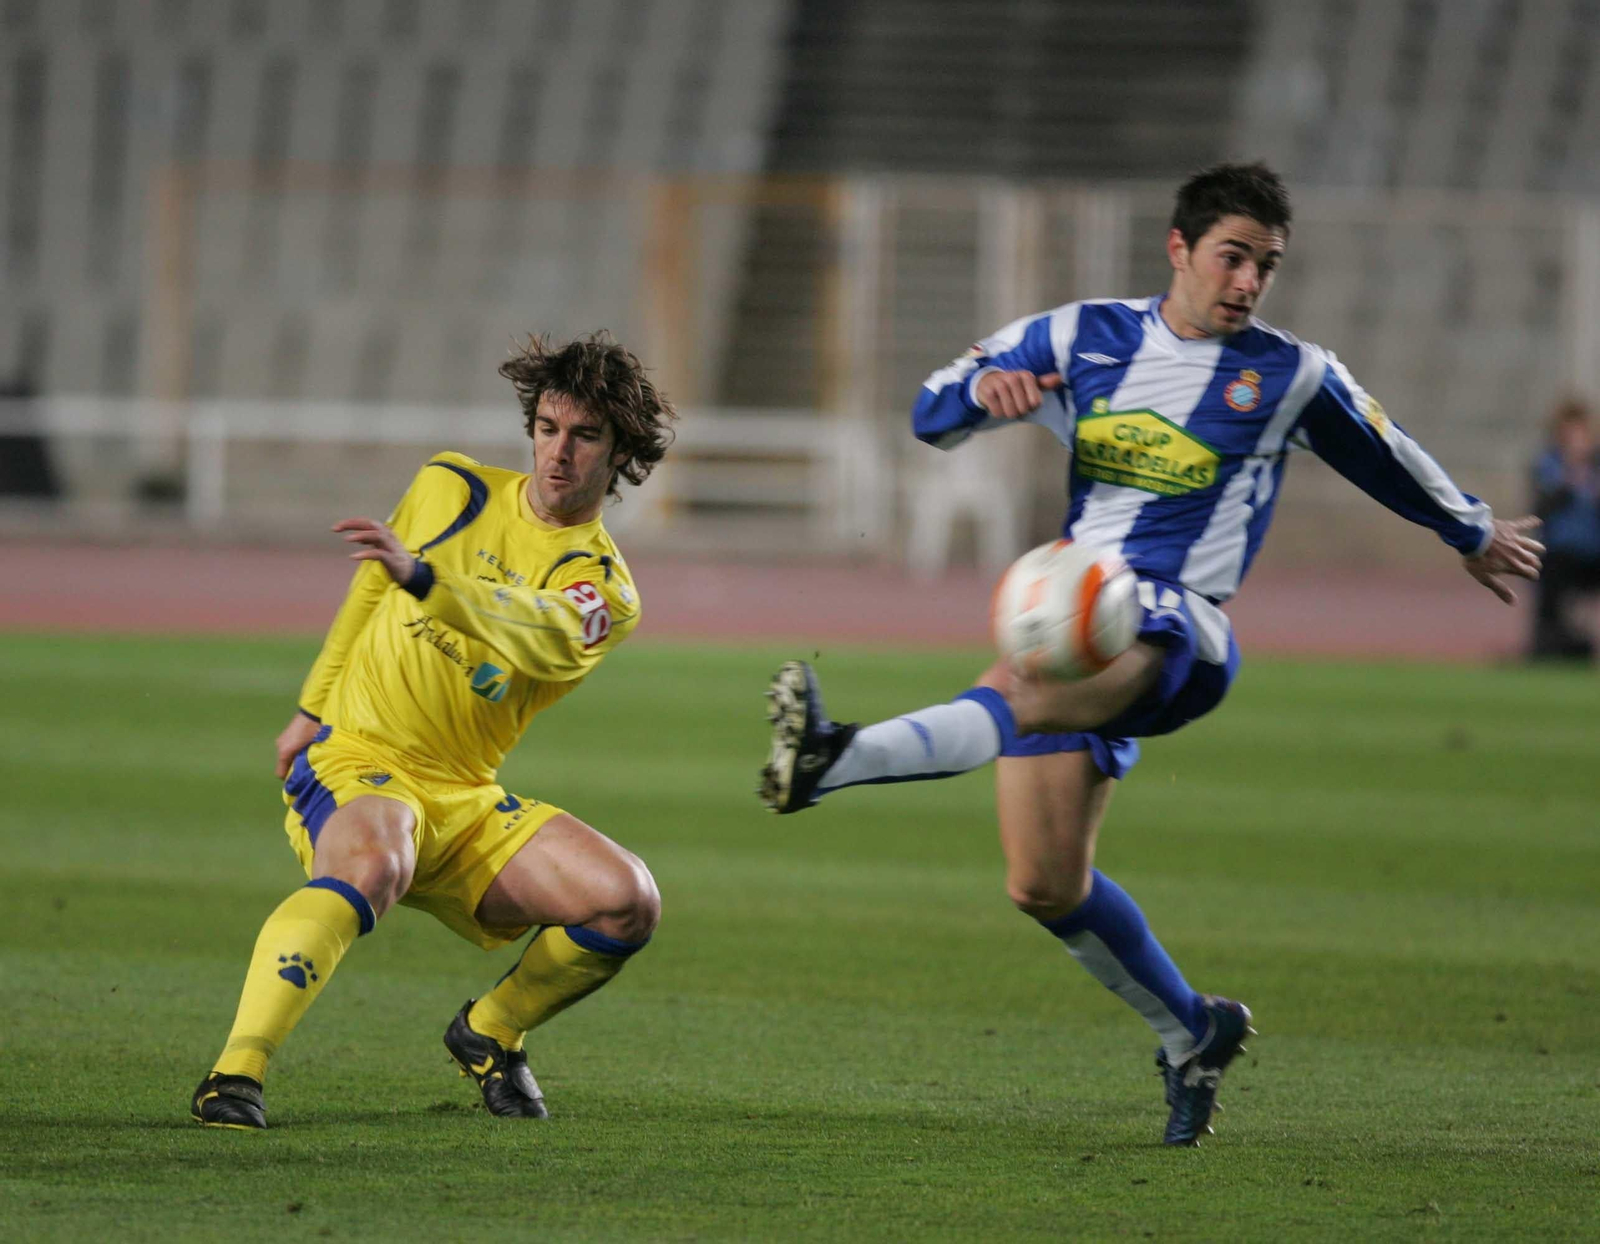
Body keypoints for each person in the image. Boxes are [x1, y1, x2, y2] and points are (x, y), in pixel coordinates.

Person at [758, 163, 1544, 1146]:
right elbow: (931, 408)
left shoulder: (1288, 373)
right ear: (1178, 249)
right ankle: (1194, 1031)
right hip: (1077, 613)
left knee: (1028, 683)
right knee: (1042, 883)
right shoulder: (1079, 336)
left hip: (1185, 628)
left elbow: (1383, 447)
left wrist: (1468, 529)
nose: (1249, 281)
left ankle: (837, 758)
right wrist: (986, 397)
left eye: (1267, 264)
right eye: (1233, 256)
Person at [191, 332, 676, 1129]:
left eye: (585, 435)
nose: (559, 453)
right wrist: (313, 708)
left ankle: (490, 1031)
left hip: (463, 795)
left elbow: (534, 626)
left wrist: (427, 578)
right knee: (377, 856)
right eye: (549, 428)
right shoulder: (451, 487)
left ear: (621, 450)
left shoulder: (604, 590)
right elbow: (370, 591)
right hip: (360, 755)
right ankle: (234, 1075)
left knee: (626, 901)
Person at [1528, 398, 1600, 659]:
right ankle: (1546, 646)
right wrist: (1569, 476)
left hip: (1594, 553)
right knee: (1547, 571)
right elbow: (1539, 509)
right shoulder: (1548, 465)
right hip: (1559, 553)